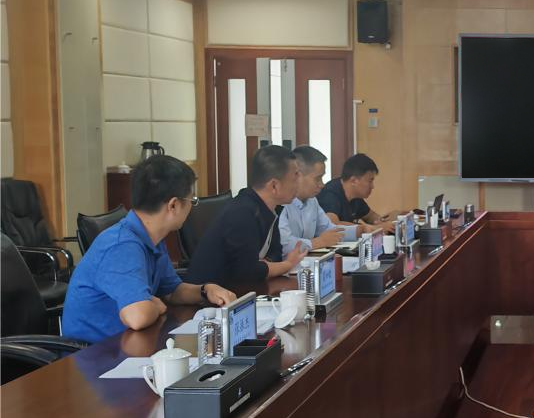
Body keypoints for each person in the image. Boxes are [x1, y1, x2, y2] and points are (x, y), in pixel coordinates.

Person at [63, 156, 235, 343]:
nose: (191, 207)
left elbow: (172, 291)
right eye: (191, 200)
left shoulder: (151, 237)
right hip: (92, 353)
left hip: (127, 342)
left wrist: (205, 290)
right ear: (173, 205)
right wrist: (155, 306)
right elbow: (138, 317)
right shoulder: (122, 245)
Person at [185, 145, 306, 287]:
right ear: (274, 186)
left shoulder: (269, 208)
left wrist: (265, 266)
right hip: (209, 295)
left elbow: (275, 253)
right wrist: (288, 264)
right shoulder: (242, 212)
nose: (299, 181)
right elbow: (248, 271)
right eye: (295, 176)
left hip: (242, 289)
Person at [278, 146, 379, 255]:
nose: (322, 184)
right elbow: (284, 244)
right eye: (317, 178)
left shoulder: (312, 201)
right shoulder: (281, 203)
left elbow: (329, 229)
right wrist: (318, 242)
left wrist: (359, 230)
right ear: (298, 176)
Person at [317, 153, 404, 228]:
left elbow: (370, 216)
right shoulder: (330, 194)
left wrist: (384, 221)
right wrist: (373, 228)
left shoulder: (355, 196)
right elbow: (333, 225)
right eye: (370, 181)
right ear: (354, 181)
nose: (372, 186)